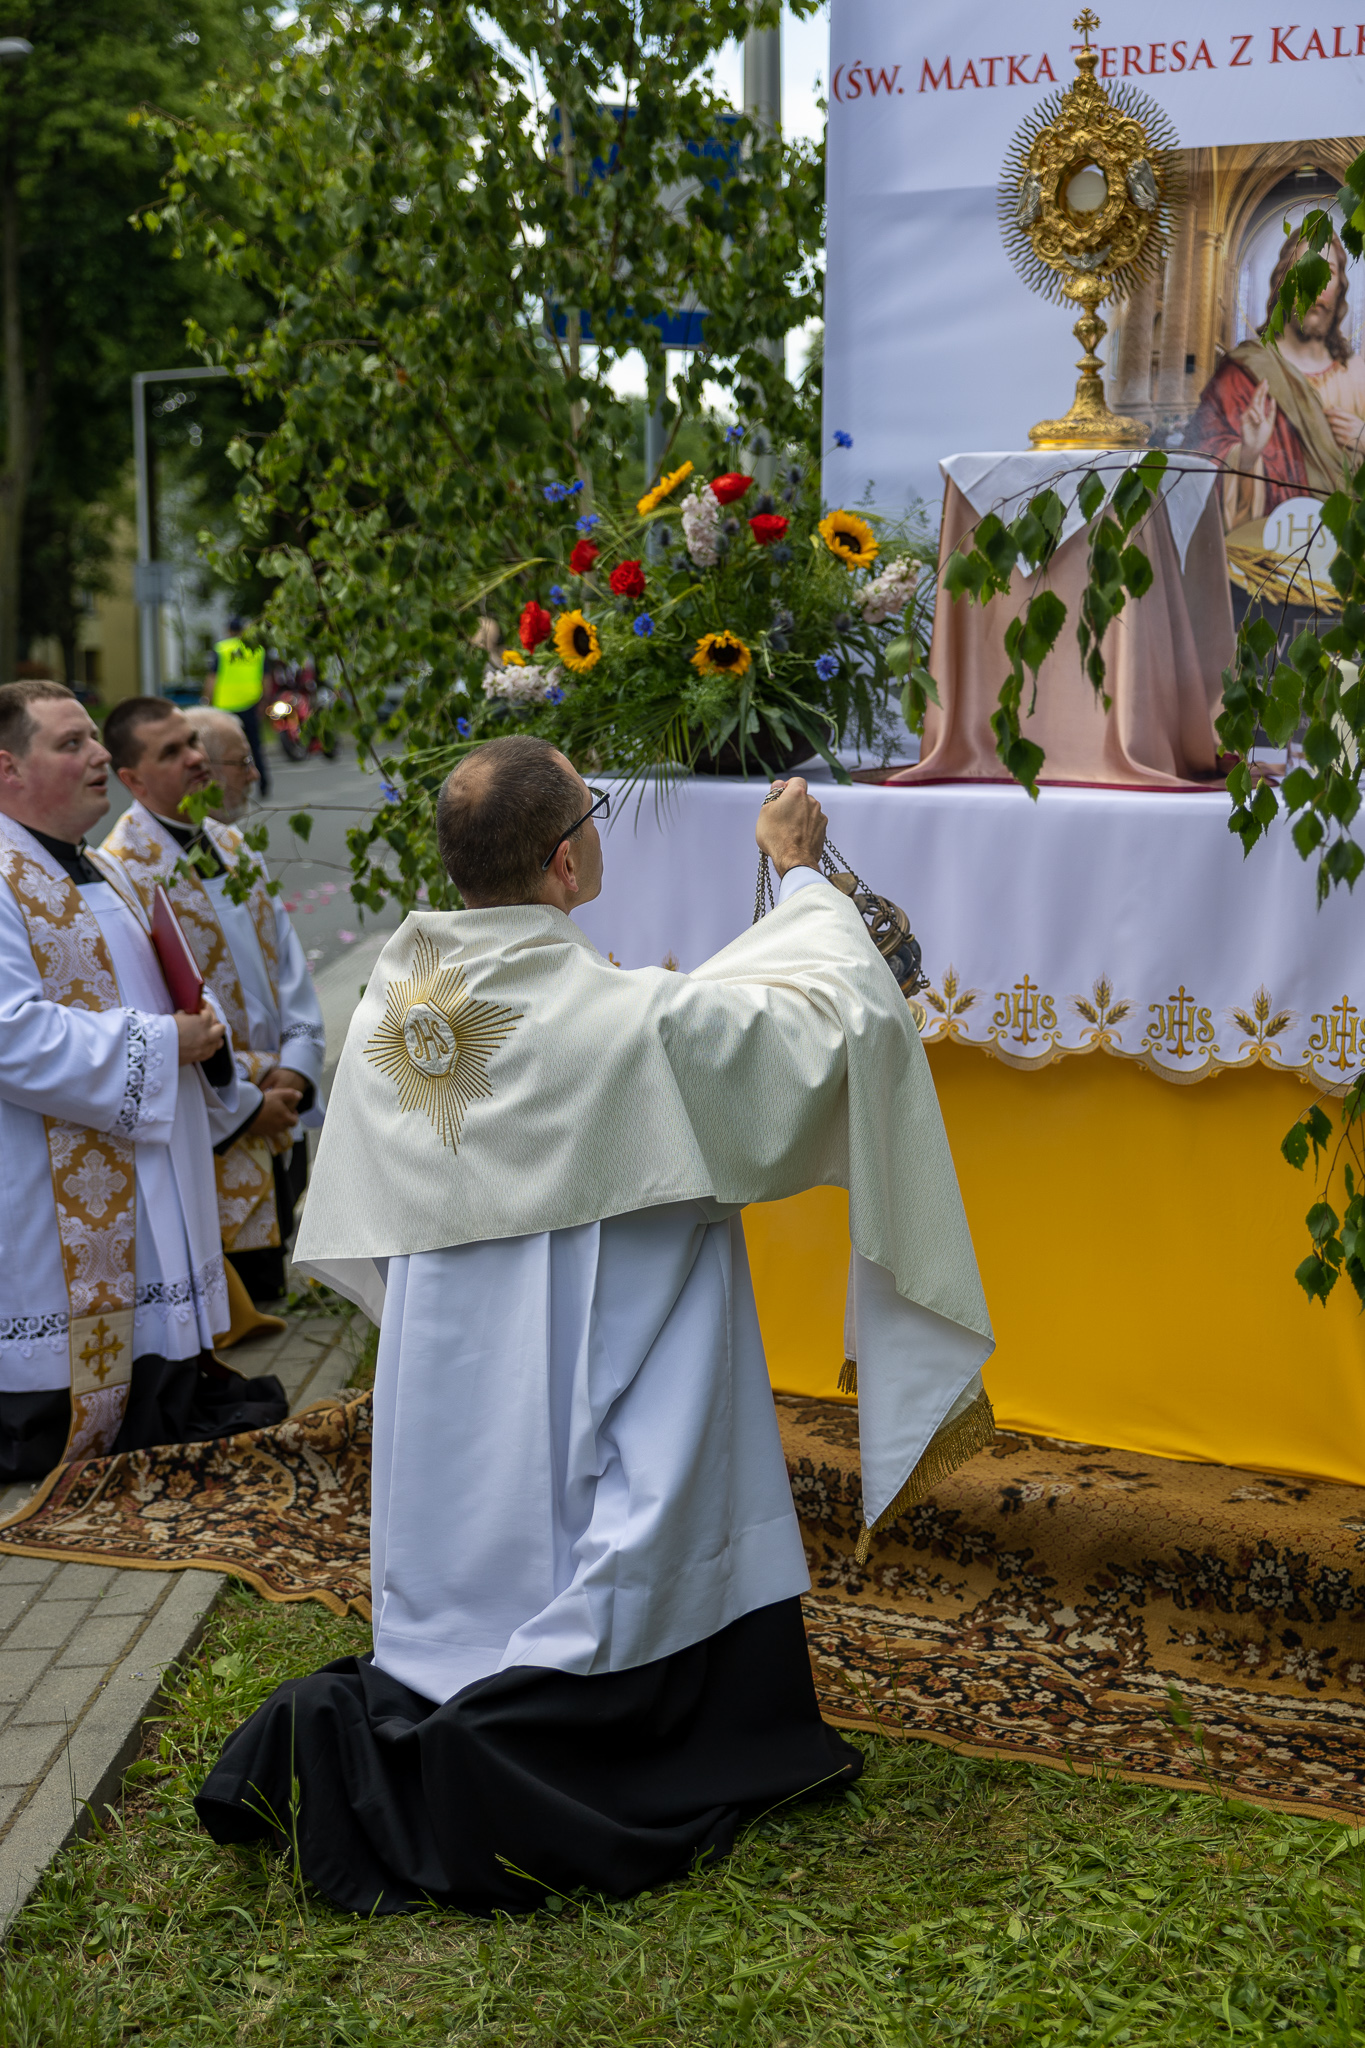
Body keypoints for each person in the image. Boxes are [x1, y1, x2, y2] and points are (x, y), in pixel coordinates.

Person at [195, 735, 994, 1916]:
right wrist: (803, 876)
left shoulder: (392, 1006)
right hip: (607, 1335)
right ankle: (553, 1729)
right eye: (595, 813)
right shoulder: (634, 1028)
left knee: (483, 1537)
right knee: (626, 1497)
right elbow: (818, 1027)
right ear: (568, 862)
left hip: (458, 1361)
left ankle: (454, 1664)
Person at [0, 681, 287, 1485]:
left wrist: (198, 1030)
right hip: (44, 1166)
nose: (99, 755)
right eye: (71, 744)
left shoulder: (95, 866)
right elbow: (9, 1032)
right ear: (7, 768)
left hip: (137, 1145)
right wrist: (165, 1043)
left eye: (94, 737)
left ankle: (161, 1386)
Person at [98, 699, 325, 1310]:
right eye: (172, 752)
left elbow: (289, 965)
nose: (195, 758)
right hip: (219, 1120)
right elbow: (154, 1018)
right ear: (132, 780)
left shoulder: (231, 843)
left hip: (279, 1091)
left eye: (192, 744)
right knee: (236, 1307)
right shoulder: (123, 873)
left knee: (274, 1290)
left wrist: (298, 1068)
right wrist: (247, 1106)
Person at [1185, 232, 1365, 532]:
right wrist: (1246, 455)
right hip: (1260, 552)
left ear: (1340, 287)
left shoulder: (1358, 376)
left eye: (1328, 272)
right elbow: (1194, 470)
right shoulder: (1240, 372)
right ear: (1283, 282)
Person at [203, 615, 269, 797]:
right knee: (254, 746)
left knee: (223, 750)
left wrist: (207, 701)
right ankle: (263, 783)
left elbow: (212, 678)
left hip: (225, 708)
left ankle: (226, 787)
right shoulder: (257, 650)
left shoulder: (221, 649)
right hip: (250, 704)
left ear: (229, 631)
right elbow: (266, 679)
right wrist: (264, 702)